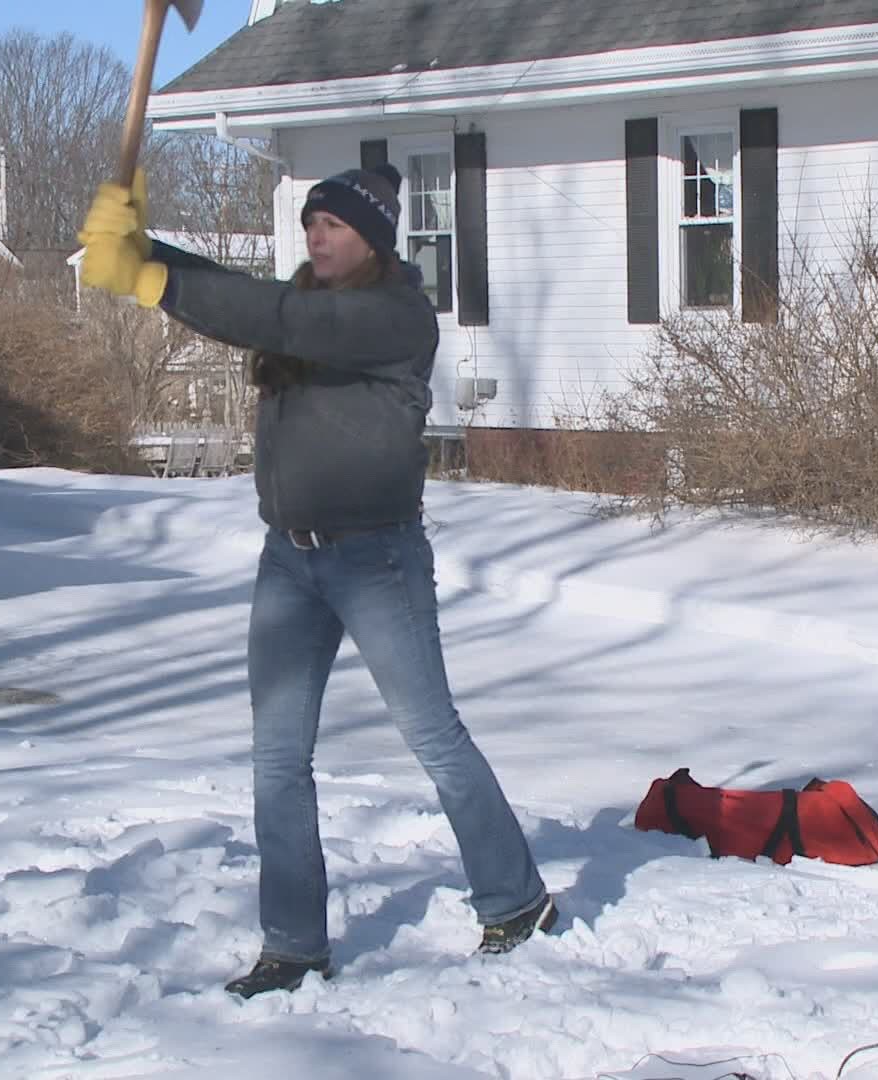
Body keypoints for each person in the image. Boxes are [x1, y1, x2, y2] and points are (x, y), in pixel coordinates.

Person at [76, 165, 555, 999]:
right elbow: (253, 296)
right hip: (289, 561)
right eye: (310, 225)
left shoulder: (395, 314)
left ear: (372, 236)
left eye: (332, 224)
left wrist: (153, 278)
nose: (316, 237)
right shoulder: (306, 307)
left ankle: (515, 900)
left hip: (376, 560)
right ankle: (293, 945)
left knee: (432, 735)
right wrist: (144, 243)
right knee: (277, 759)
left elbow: (283, 317)